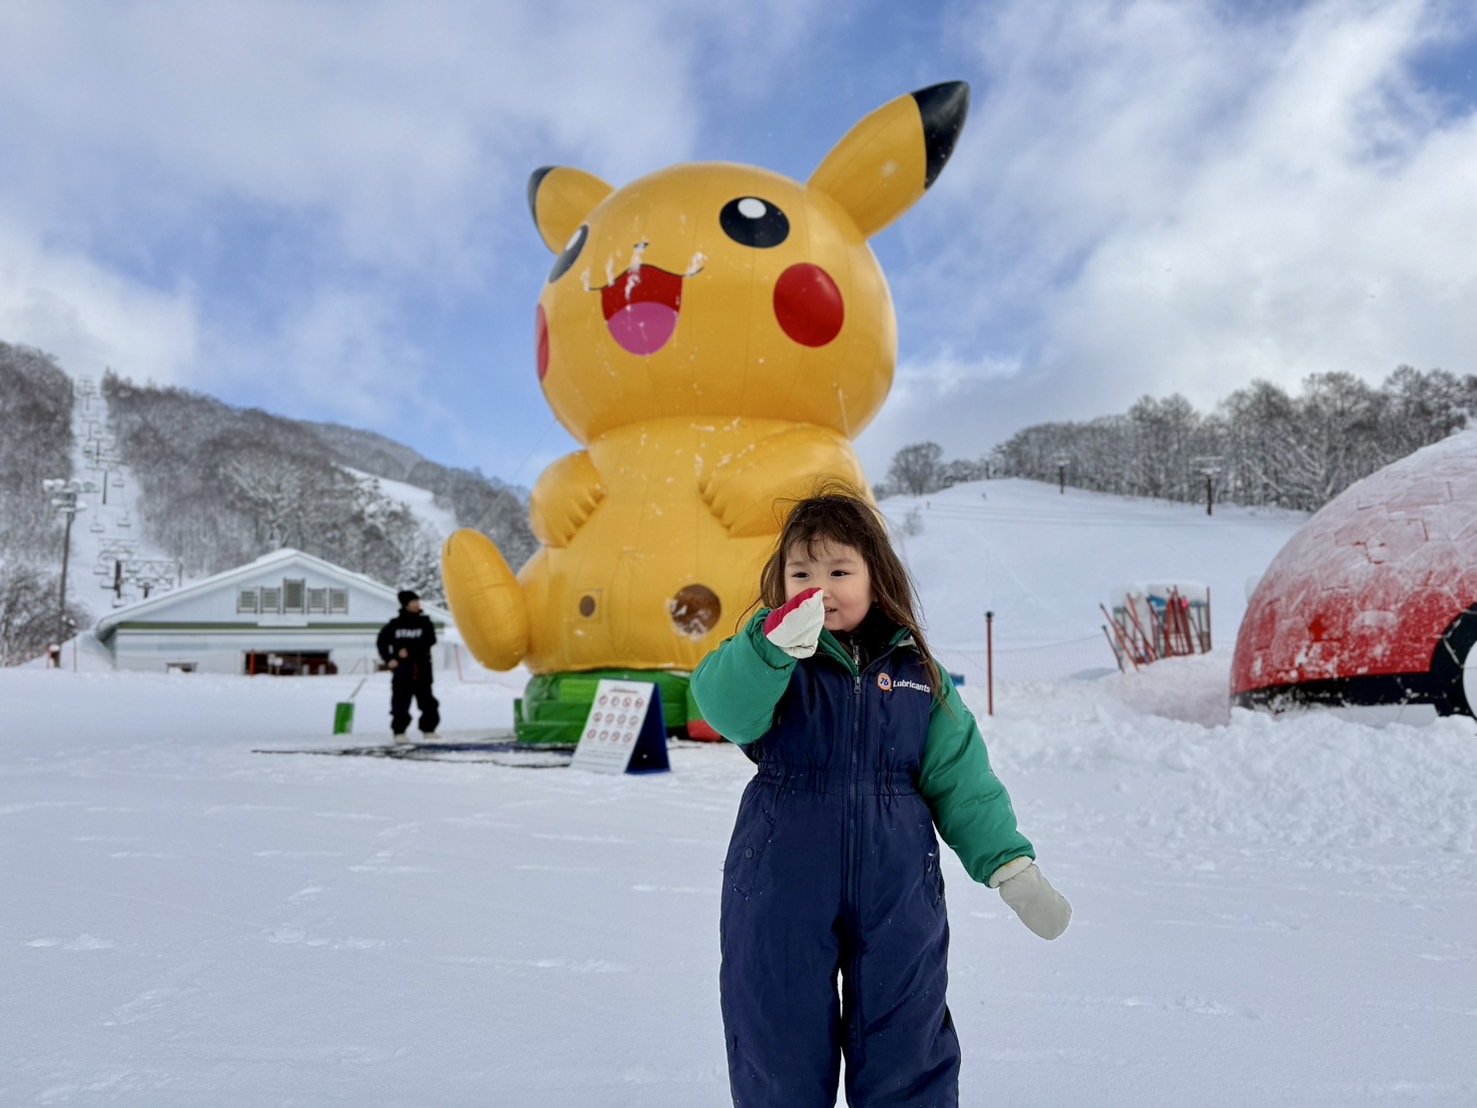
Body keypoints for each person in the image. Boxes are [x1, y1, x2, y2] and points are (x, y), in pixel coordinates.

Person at [691, 487, 1071, 1108]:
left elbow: (961, 778)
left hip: (898, 887)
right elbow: (722, 705)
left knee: (907, 1041)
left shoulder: (919, 673)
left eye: (840, 570)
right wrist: (769, 648)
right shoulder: (770, 663)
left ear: (876, 576)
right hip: (780, 883)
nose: (821, 587)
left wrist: (1009, 863)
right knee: (778, 1036)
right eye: (801, 573)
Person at [376, 590, 440, 743]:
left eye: (418, 601)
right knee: (400, 703)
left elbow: (430, 641)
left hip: (423, 670)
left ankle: (429, 730)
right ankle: (399, 732)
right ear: (406, 605)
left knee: (428, 702)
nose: (417, 604)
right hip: (403, 673)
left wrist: (410, 651)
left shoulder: (425, 623)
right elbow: (382, 642)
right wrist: (390, 659)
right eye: (413, 602)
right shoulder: (395, 625)